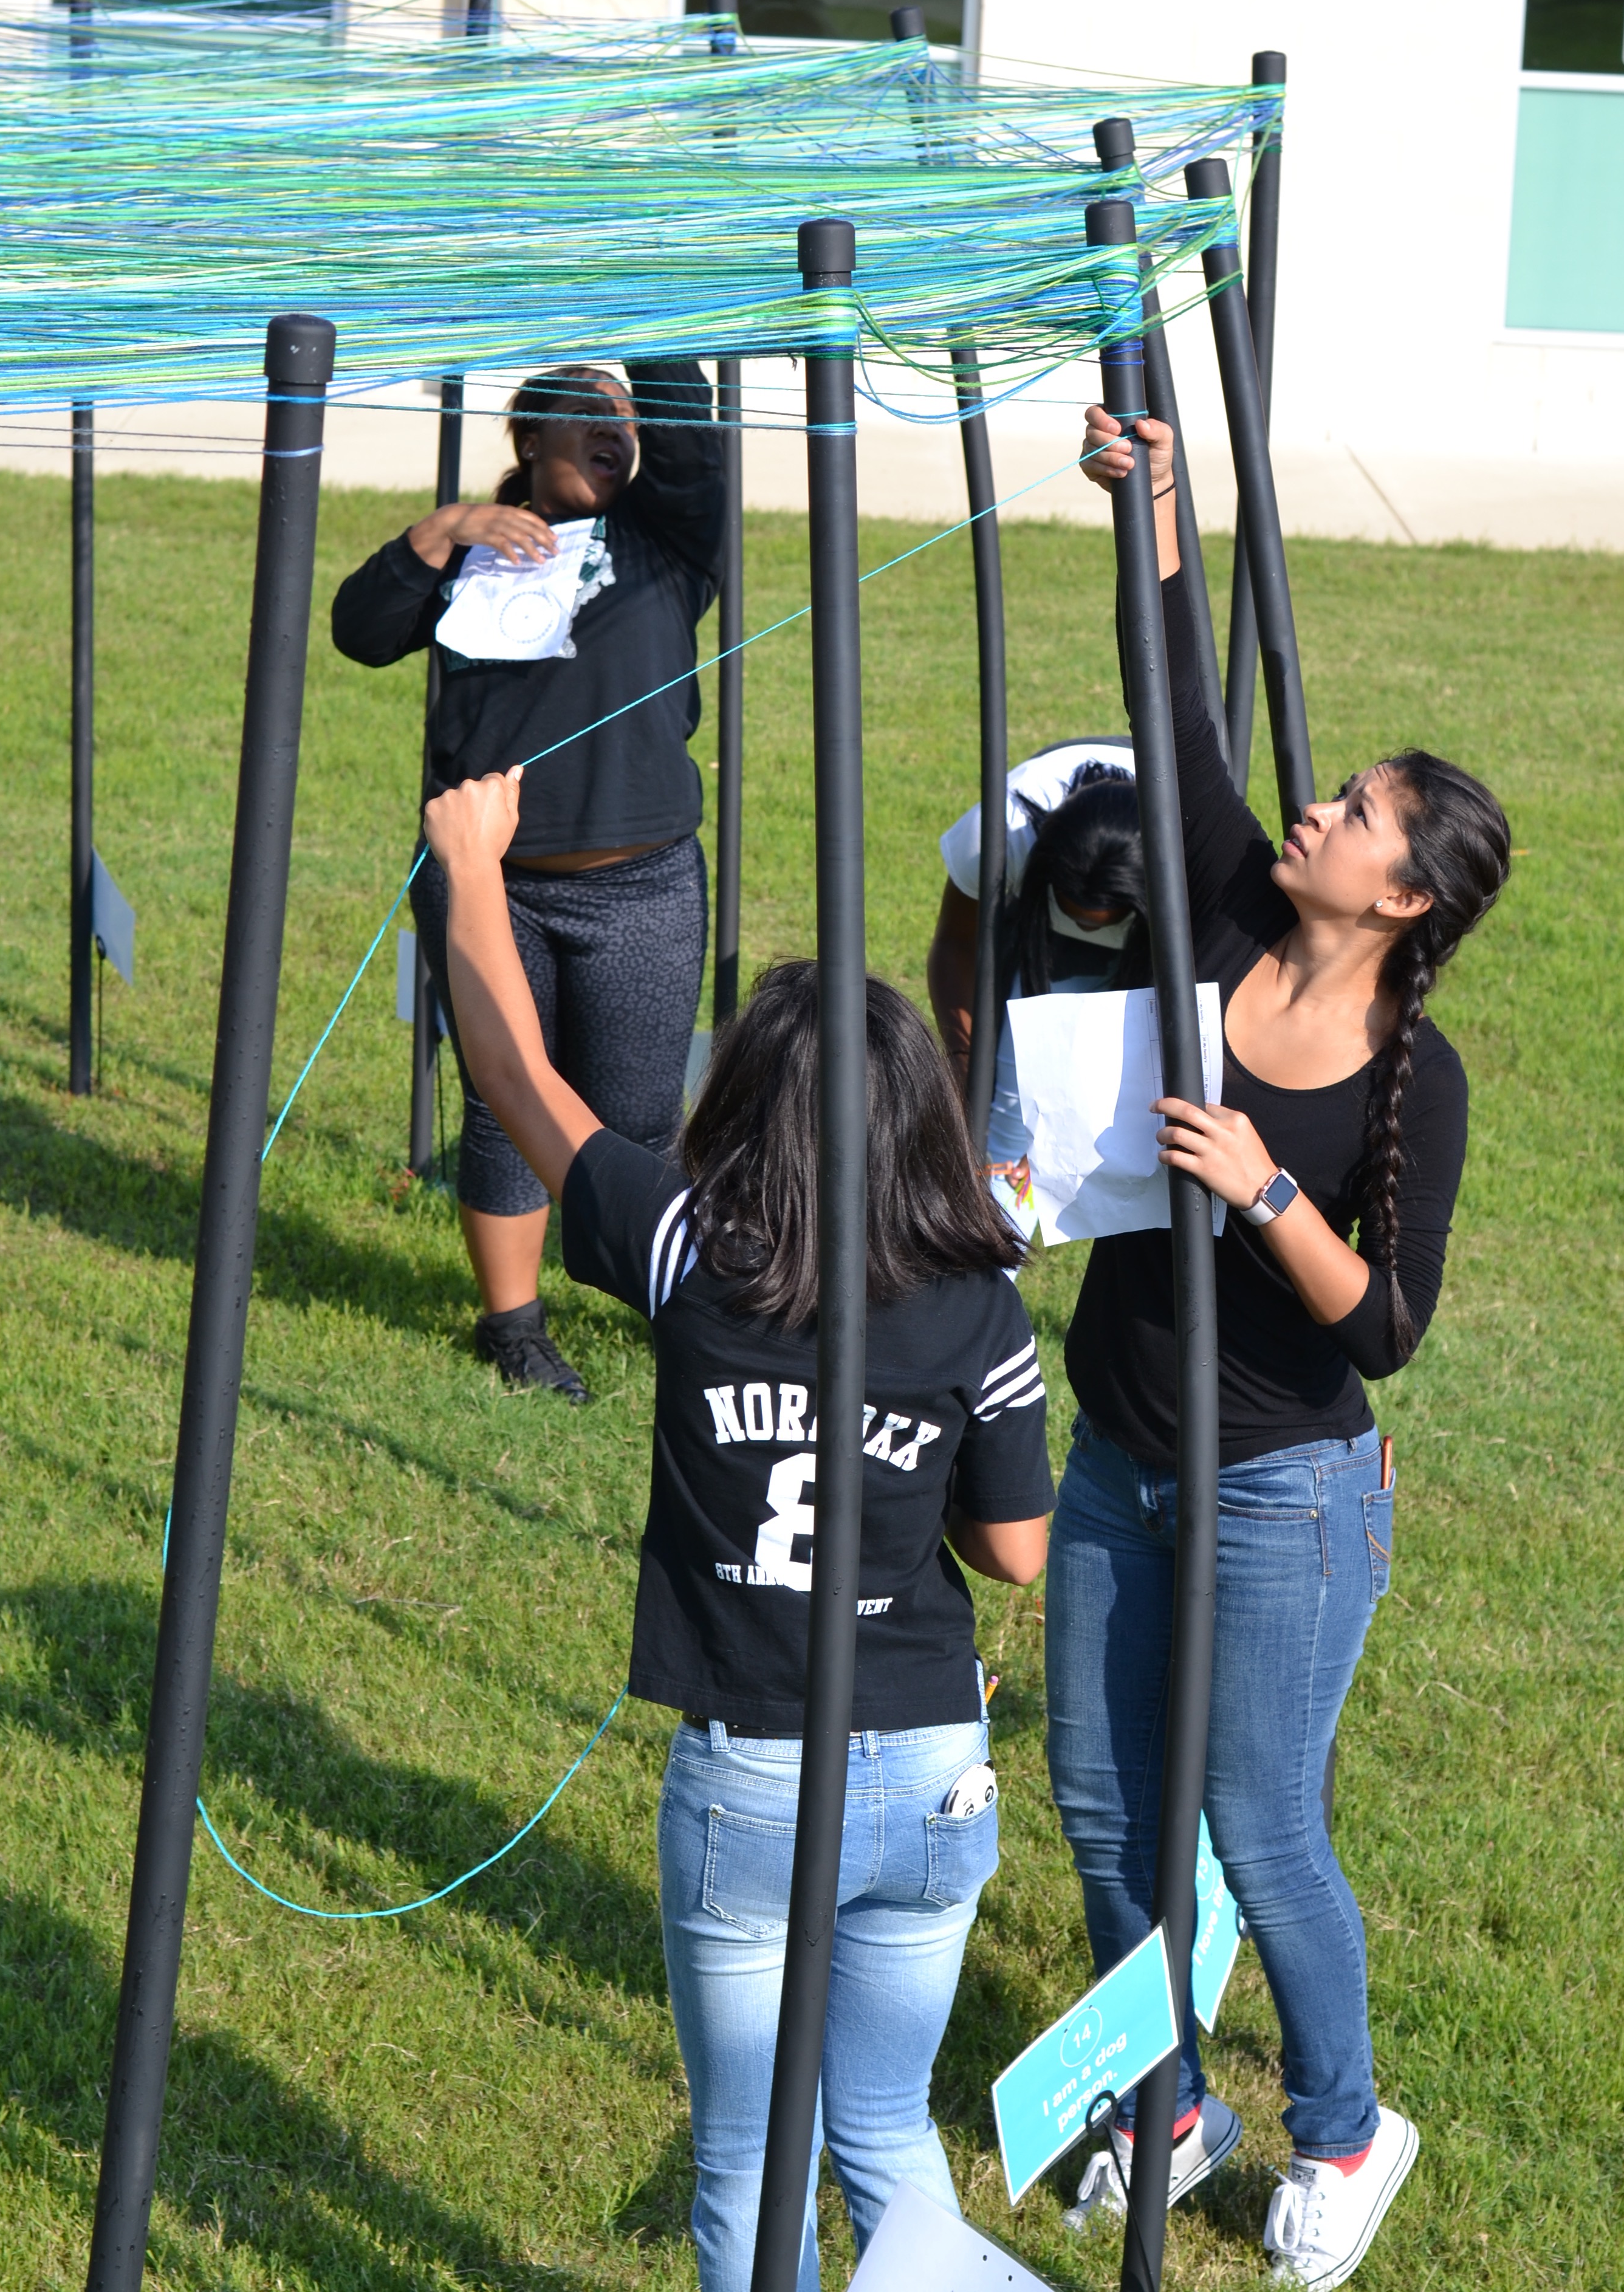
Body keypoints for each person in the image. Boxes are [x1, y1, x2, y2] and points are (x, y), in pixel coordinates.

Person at [422, 764, 1055, 2292]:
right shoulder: (979, 1303)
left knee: (744, 2162)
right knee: (885, 2130)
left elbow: (513, 1072)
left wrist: (472, 868)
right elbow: (1016, 1550)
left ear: (743, 1108)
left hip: (751, 1775)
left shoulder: (691, 1250)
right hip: (932, 1764)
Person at [1046, 409, 1510, 2287]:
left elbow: (1384, 1328)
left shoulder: (1417, 1079)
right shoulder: (1230, 907)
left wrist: (1258, 1188)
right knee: (1101, 1809)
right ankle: (1161, 2112)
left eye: (1360, 815)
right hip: (1117, 1453)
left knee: (1256, 1824)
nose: (1319, 808)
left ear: (1402, 899)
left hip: (1285, 1493)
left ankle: (1341, 2127)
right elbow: (1174, 708)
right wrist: (1156, 506)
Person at [331, 362, 723, 1404]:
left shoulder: (668, 533)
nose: (615, 429)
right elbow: (359, 631)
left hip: (639, 880)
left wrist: (652, 310)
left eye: (626, 417)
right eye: (587, 414)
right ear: (530, 438)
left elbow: (689, 432)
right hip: (486, 882)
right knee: (503, 1104)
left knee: (638, 1110)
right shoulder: (474, 545)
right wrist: (445, 529)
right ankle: (512, 1327)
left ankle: (673, 1300)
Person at [927, 744, 1145, 1218]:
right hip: (1032, 946)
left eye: (1101, 922)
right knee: (1009, 1122)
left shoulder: (1197, 854)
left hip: (1146, 956)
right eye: (1075, 914)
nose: (1087, 928)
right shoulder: (998, 838)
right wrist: (965, 1059)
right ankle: (996, 1249)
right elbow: (956, 944)